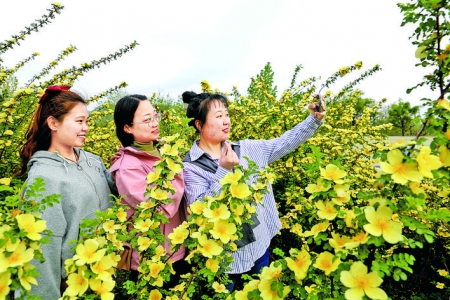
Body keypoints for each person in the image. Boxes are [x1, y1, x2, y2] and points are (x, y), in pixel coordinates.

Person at [181, 91, 326, 291]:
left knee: (261, 292)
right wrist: (224, 170)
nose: (226, 121)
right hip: (224, 258)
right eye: (218, 116)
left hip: (259, 244)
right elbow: (199, 209)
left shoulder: (248, 149)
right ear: (199, 124)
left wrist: (313, 121)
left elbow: (283, 143)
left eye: (226, 114)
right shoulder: (191, 167)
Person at [17, 86, 116, 300]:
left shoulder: (92, 160)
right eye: (79, 121)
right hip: (75, 287)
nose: (86, 128)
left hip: (107, 276)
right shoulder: (43, 178)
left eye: (87, 121)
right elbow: (43, 251)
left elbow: (119, 198)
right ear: (53, 123)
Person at [110, 95, 189, 289]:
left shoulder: (163, 149)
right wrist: (174, 169)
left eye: (155, 116)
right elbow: (160, 207)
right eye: (147, 120)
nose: (155, 123)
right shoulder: (127, 167)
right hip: (151, 254)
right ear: (127, 128)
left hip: (176, 247)